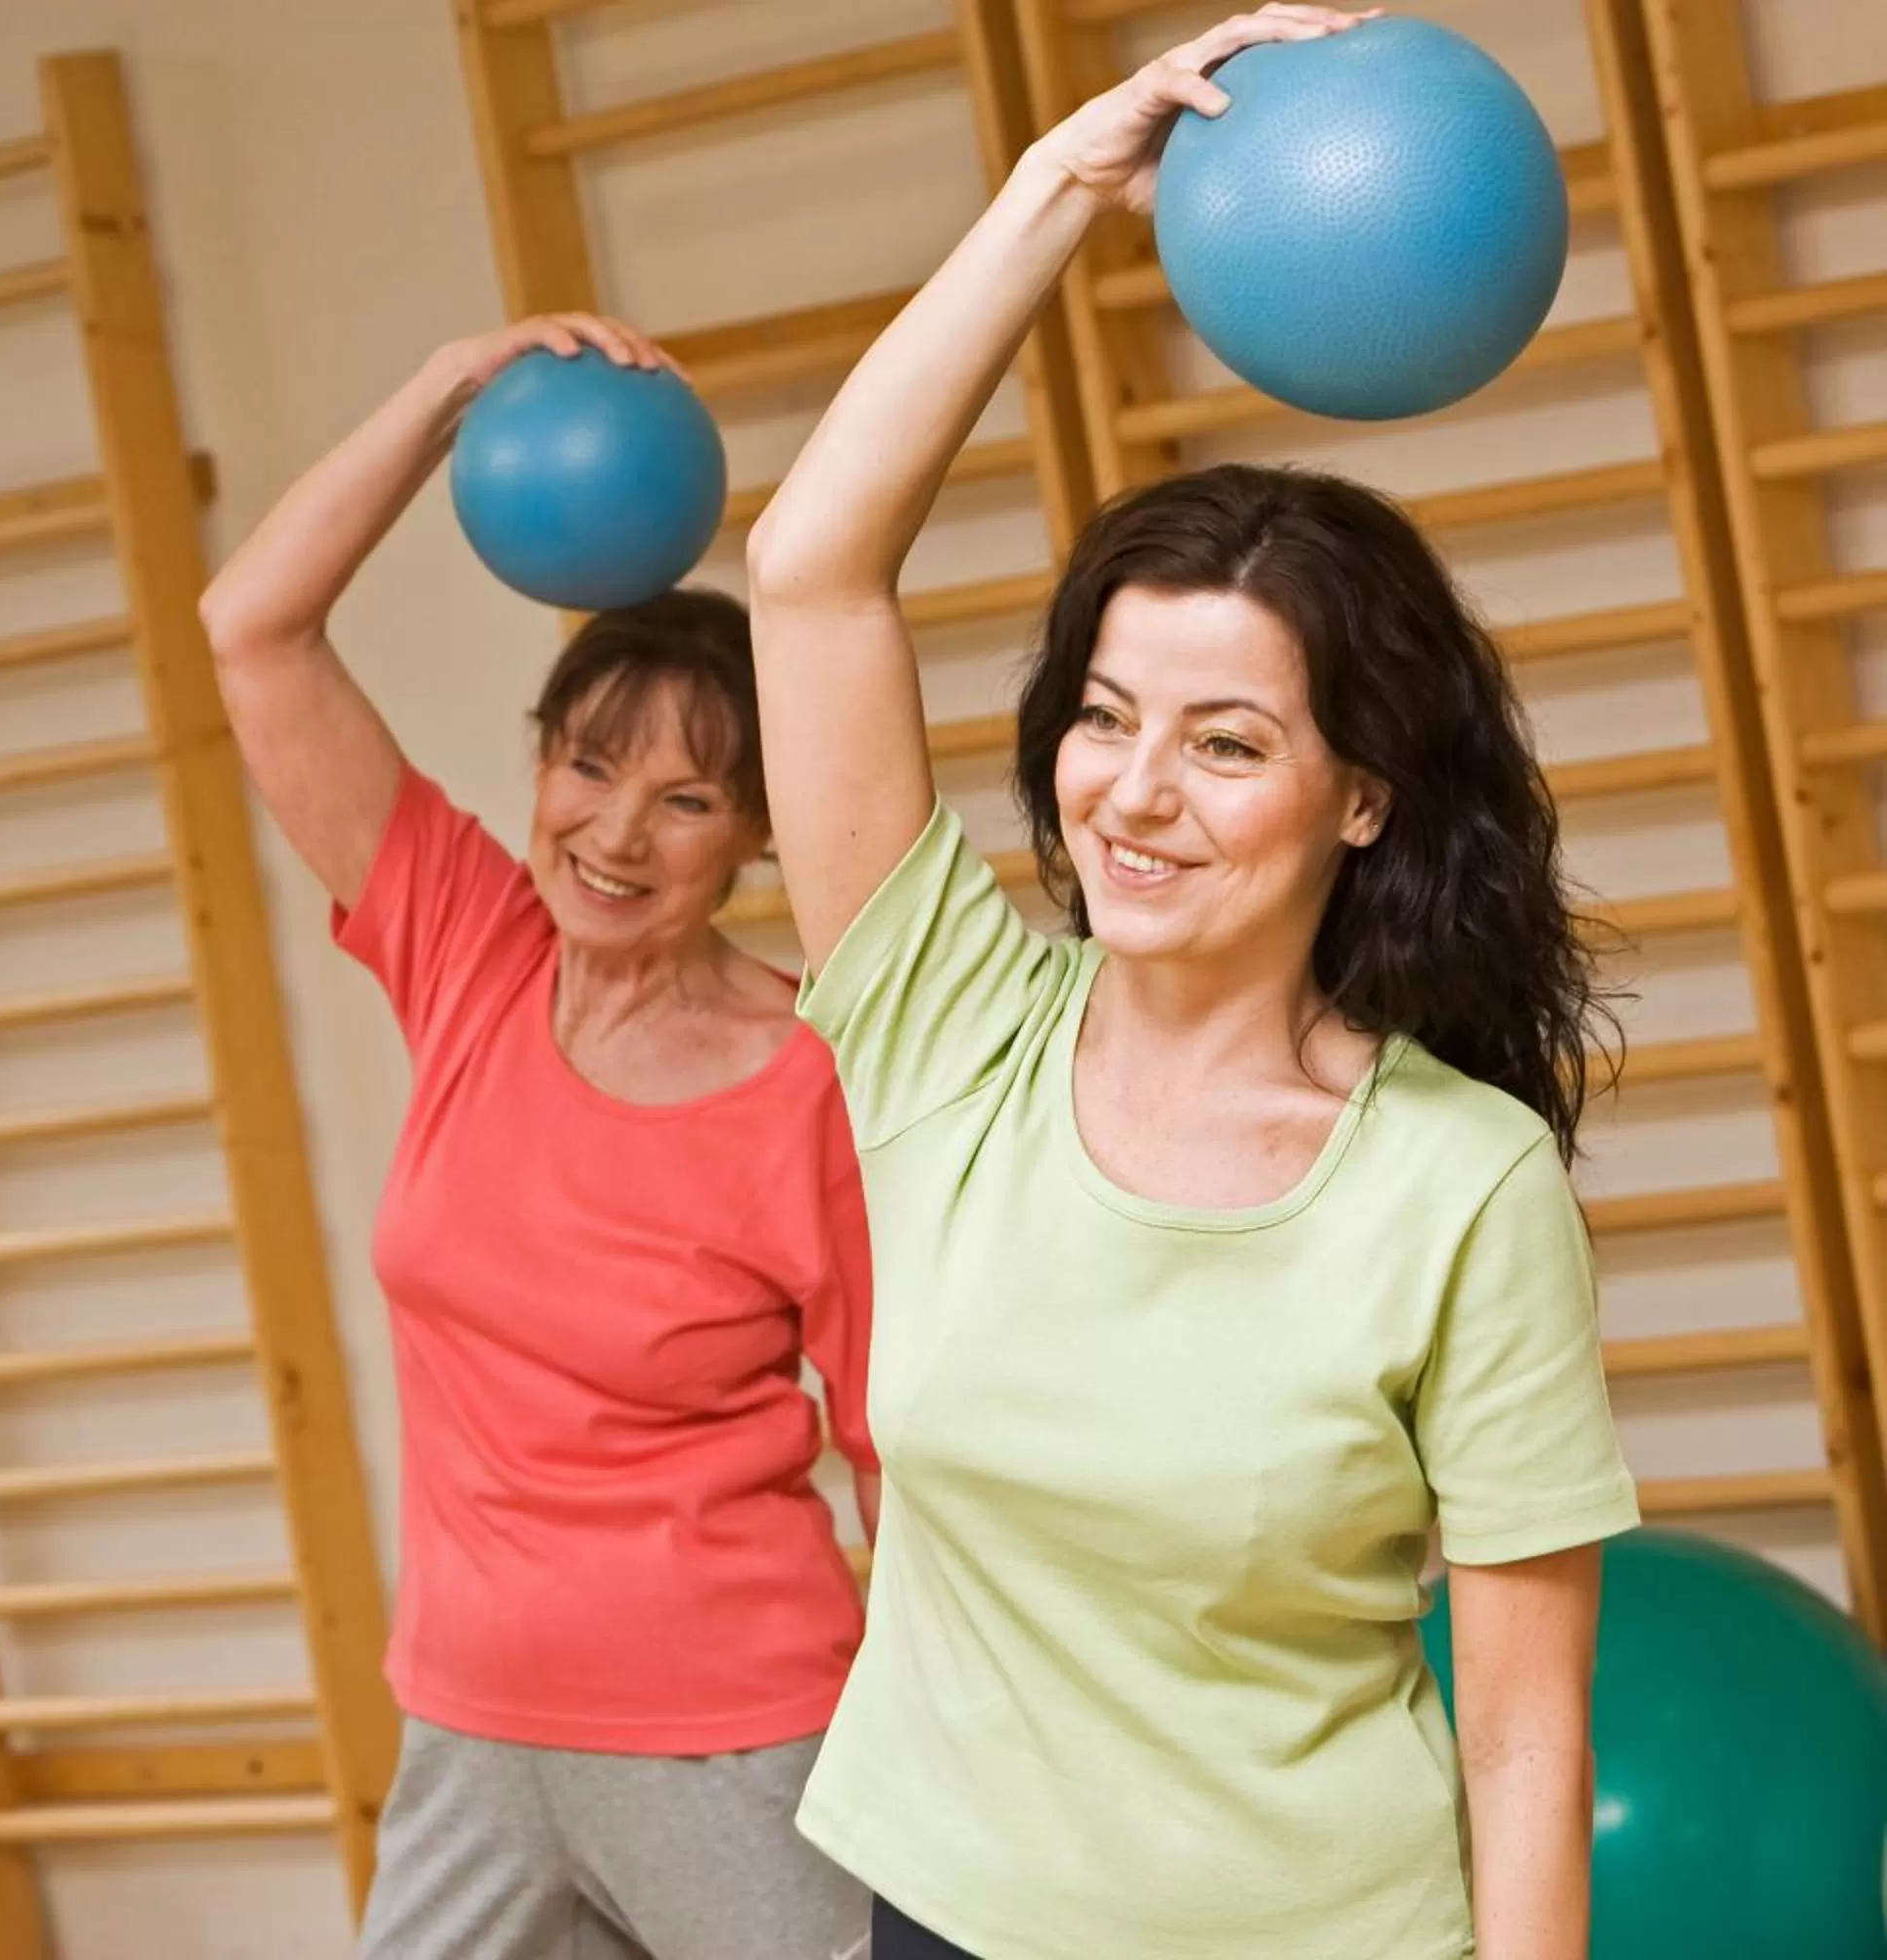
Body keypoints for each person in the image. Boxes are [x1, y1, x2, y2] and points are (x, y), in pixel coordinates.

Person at [742, 10, 1641, 1958]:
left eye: (1228, 743)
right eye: (1104, 717)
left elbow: (1520, 1729)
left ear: (1363, 797)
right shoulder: (945, 1030)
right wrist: (1064, 185)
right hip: (942, 1915)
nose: (1135, 794)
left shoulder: (1456, 1183)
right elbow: (810, 570)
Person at [199, 313, 881, 1960]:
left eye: (688, 801)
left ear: (759, 836)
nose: (618, 833)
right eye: (589, 768)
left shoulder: (817, 1082)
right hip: (472, 1729)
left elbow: (896, 1452)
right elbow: (254, 627)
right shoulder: (467, 949)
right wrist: (447, 391)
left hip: (737, 1734)